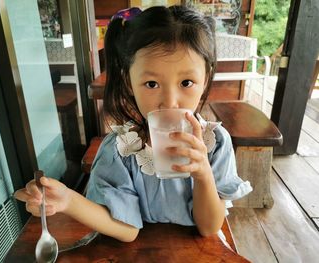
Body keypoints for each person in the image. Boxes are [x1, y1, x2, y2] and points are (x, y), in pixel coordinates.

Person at [14, 5, 252, 243]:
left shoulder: (216, 143)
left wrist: (203, 174)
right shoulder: (120, 151)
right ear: (129, 82)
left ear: (206, 79)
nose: (169, 101)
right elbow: (128, 230)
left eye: (187, 82)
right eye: (151, 84)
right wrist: (68, 200)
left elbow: (209, 227)